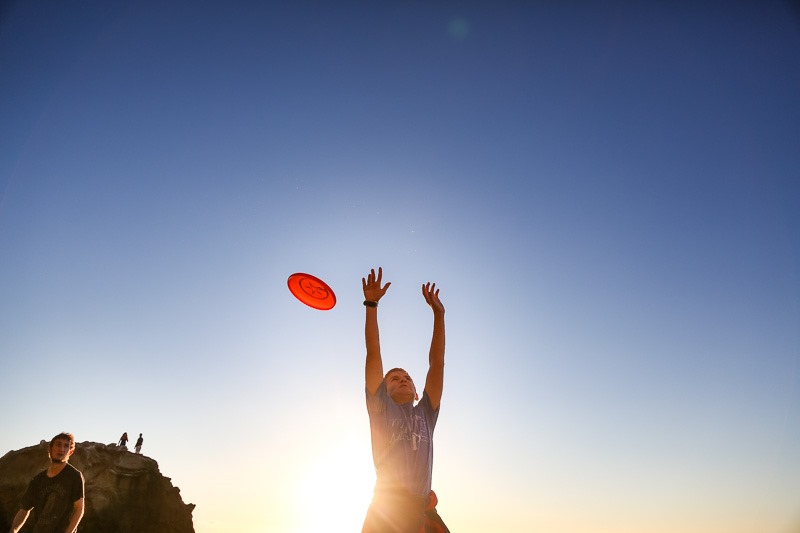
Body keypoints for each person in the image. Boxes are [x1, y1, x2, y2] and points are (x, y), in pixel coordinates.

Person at [361, 267, 450, 533]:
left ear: (415, 392)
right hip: (388, 512)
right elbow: (373, 352)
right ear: (383, 390)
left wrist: (439, 315)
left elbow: (437, 364)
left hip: (421, 509)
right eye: (394, 378)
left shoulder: (426, 413)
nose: (403, 379)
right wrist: (371, 305)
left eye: (407, 377)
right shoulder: (380, 410)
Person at [10, 432, 85, 533]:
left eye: (66, 446)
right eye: (58, 444)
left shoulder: (74, 476)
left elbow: (79, 509)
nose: (61, 449)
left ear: (70, 452)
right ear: (50, 449)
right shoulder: (37, 480)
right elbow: (24, 510)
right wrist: (13, 530)